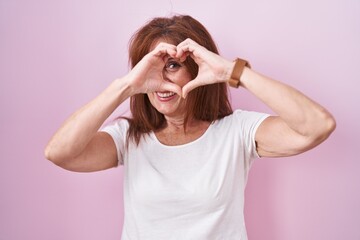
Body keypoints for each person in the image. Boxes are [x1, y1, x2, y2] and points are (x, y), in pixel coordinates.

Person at [44, 15, 336, 240]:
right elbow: (59, 152)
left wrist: (233, 72)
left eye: (172, 65)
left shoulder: (236, 132)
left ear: (196, 67)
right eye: (150, 67)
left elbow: (317, 125)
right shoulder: (128, 138)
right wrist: (126, 86)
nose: (161, 80)